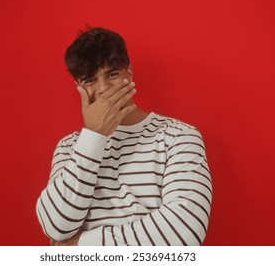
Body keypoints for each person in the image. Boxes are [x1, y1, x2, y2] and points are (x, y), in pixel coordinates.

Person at [36, 27, 212, 246]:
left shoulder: (179, 137)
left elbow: (183, 231)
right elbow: (56, 225)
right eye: (90, 80)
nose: (103, 88)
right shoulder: (69, 147)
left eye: (112, 74)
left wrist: (82, 246)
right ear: (78, 87)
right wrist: (94, 136)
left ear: (129, 72)